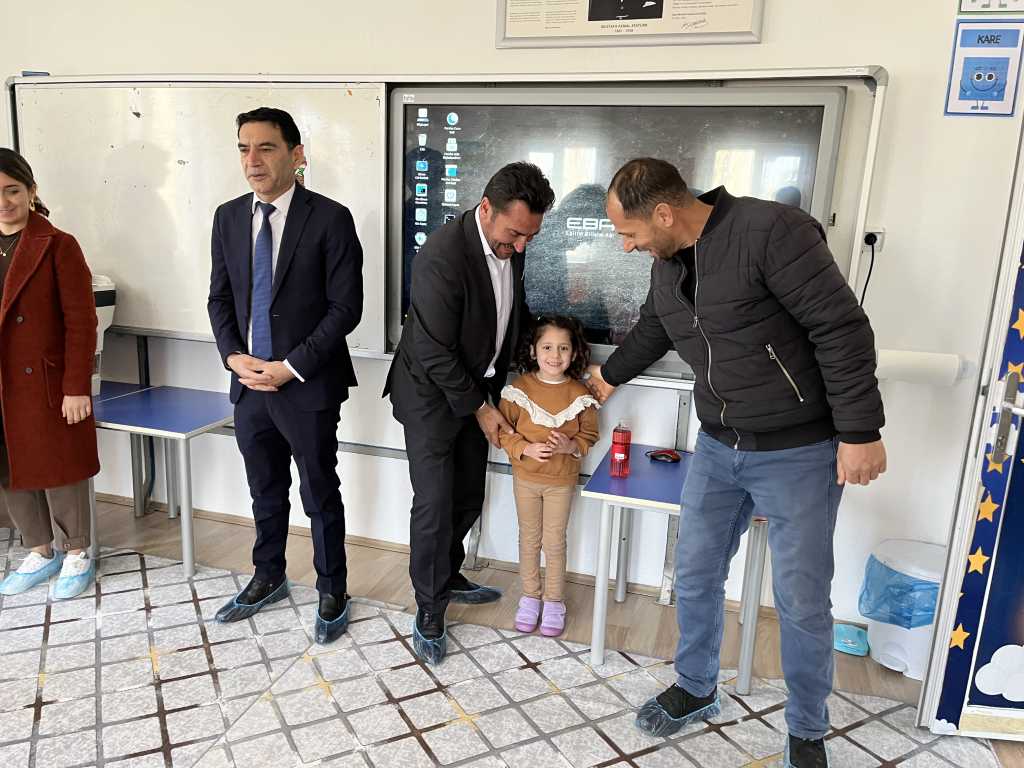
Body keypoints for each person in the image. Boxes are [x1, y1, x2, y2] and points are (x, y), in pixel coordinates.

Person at [586, 158, 886, 768]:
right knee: (695, 574)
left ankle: (807, 731)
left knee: (801, 600)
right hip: (720, 447)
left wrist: (860, 432)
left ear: (663, 214)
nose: (626, 245)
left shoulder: (771, 232)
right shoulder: (669, 265)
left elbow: (841, 328)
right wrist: (606, 377)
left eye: (629, 232)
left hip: (799, 451)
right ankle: (697, 687)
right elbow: (655, 328)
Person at [385, 162, 555, 664]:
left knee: (466, 497)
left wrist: (544, 353)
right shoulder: (441, 255)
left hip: (476, 390)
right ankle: (429, 607)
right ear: (486, 209)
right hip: (430, 398)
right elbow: (434, 352)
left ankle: (448, 572)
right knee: (435, 503)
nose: (520, 246)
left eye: (529, 237)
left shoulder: (511, 246)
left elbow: (507, 311)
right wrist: (483, 408)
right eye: (514, 234)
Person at [207, 107, 363, 644]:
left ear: (296, 155)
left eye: (266, 147)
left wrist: (289, 366)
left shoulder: (330, 218)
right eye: (243, 148)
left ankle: (332, 588)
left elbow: (346, 309)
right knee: (264, 489)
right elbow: (219, 298)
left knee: (319, 492)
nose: (252, 160)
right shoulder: (228, 217)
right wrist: (234, 357)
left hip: (307, 383)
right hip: (249, 382)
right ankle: (268, 575)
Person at [0, 148, 99, 600]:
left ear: (31, 190)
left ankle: (77, 551)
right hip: (2, 380)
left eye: (12, 190)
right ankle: (40, 551)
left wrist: (76, 386)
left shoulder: (58, 244)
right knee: (9, 466)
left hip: (45, 380)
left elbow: (82, 321)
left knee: (60, 466)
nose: (4, 202)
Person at [498, 315, 599, 637]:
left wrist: (570, 446)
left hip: (561, 481)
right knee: (529, 538)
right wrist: (525, 449)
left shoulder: (580, 394)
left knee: (554, 542)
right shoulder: (518, 390)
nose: (555, 355)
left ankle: (554, 601)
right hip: (525, 479)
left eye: (563, 348)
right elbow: (502, 432)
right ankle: (530, 597)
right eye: (547, 347)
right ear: (533, 350)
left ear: (574, 352)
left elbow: (589, 435)